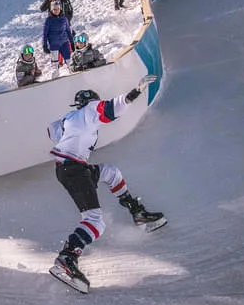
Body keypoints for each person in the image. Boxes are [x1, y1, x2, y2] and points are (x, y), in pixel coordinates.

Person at [47, 77, 166, 293]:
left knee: (110, 172)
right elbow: (111, 108)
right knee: (95, 221)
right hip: (74, 170)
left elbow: (51, 130)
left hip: (72, 168)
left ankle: (136, 211)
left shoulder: (68, 118)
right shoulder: (90, 110)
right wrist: (135, 91)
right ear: (90, 102)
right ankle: (67, 257)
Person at [43, 0, 74, 77]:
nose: (56, 11)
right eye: (54, 9)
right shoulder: (48, 20)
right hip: (54, 45)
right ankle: (55, 79)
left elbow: (68, 31)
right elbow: (45, 34)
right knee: (55, 65)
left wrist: (72, 43)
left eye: (57, 9)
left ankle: (73, 75)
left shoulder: (64, 19)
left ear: (60, 9)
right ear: (51, 10)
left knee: (70, 61)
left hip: (64, 43)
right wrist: (44, 45)